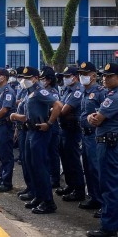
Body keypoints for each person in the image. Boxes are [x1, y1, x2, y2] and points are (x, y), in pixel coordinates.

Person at [10, 67, 63, 214]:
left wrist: (50, 123)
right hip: (29, 131)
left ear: (35, 78)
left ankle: (48, 202)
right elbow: (28, 115)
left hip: (39, 132)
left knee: (40, 167)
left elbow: (58, 105)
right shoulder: (30, 93)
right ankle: (39, 196)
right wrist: (15, 116)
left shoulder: (40, 91)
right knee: (31, 165)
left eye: (26, 78)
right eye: (22, 77)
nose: (23, 80)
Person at [86, 63, 118, 237]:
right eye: (104, 76)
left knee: (109, 185)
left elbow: (97, 119)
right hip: (108, 143)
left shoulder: (113, 97)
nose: (105, 78)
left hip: (109, 145)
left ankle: (109, 227)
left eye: (109, 76)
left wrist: (92, 117)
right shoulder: (110, 94)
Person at [78, 62, 106, 211]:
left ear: (93, 76)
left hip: (95, 136)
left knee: (98, 170)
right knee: (88, 168)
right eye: (80, 74)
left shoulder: (101, 92)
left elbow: (105, 115)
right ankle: (94, 198)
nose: (81, 77)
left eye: (85, 74)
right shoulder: (84, 91)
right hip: (85, 135)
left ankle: (103, 203)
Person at [56, 67, 86, 202]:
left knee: (73, 160)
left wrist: (56, 109)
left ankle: (78, 189)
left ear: (75, 77)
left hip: (72, 130)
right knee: (65, 159)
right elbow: (59, 107)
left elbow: (63, 110)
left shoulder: (78, 91)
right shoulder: (67, 90)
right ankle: (70, 185)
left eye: (68, 76)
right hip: (64, 129)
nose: (65, 78)